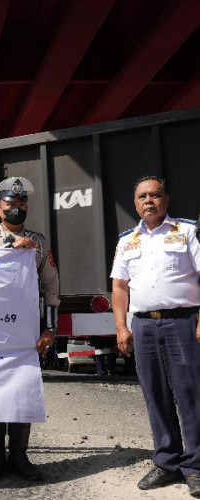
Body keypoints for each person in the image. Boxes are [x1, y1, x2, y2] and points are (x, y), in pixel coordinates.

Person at [111, 175, 200, 497]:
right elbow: (120, 287)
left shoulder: (187, 231)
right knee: (155, 394)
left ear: (166, 199)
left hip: (183, 321)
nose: (149, 200)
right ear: (135, 204)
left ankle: (196, 465)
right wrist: (122, 326)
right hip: (144, 326)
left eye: (155, 195)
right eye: (142, 196)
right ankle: (166, 461)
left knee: (191, 394)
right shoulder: (127, 240)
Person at [0, 177, 59, 482]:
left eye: (22, 203)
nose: (17, 208)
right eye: (10, 204)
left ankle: (19, 454)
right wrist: (10, 249)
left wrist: (51, 329)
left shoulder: (40, 243)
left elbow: (52, 288)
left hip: (26, 333)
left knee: (22, 391)